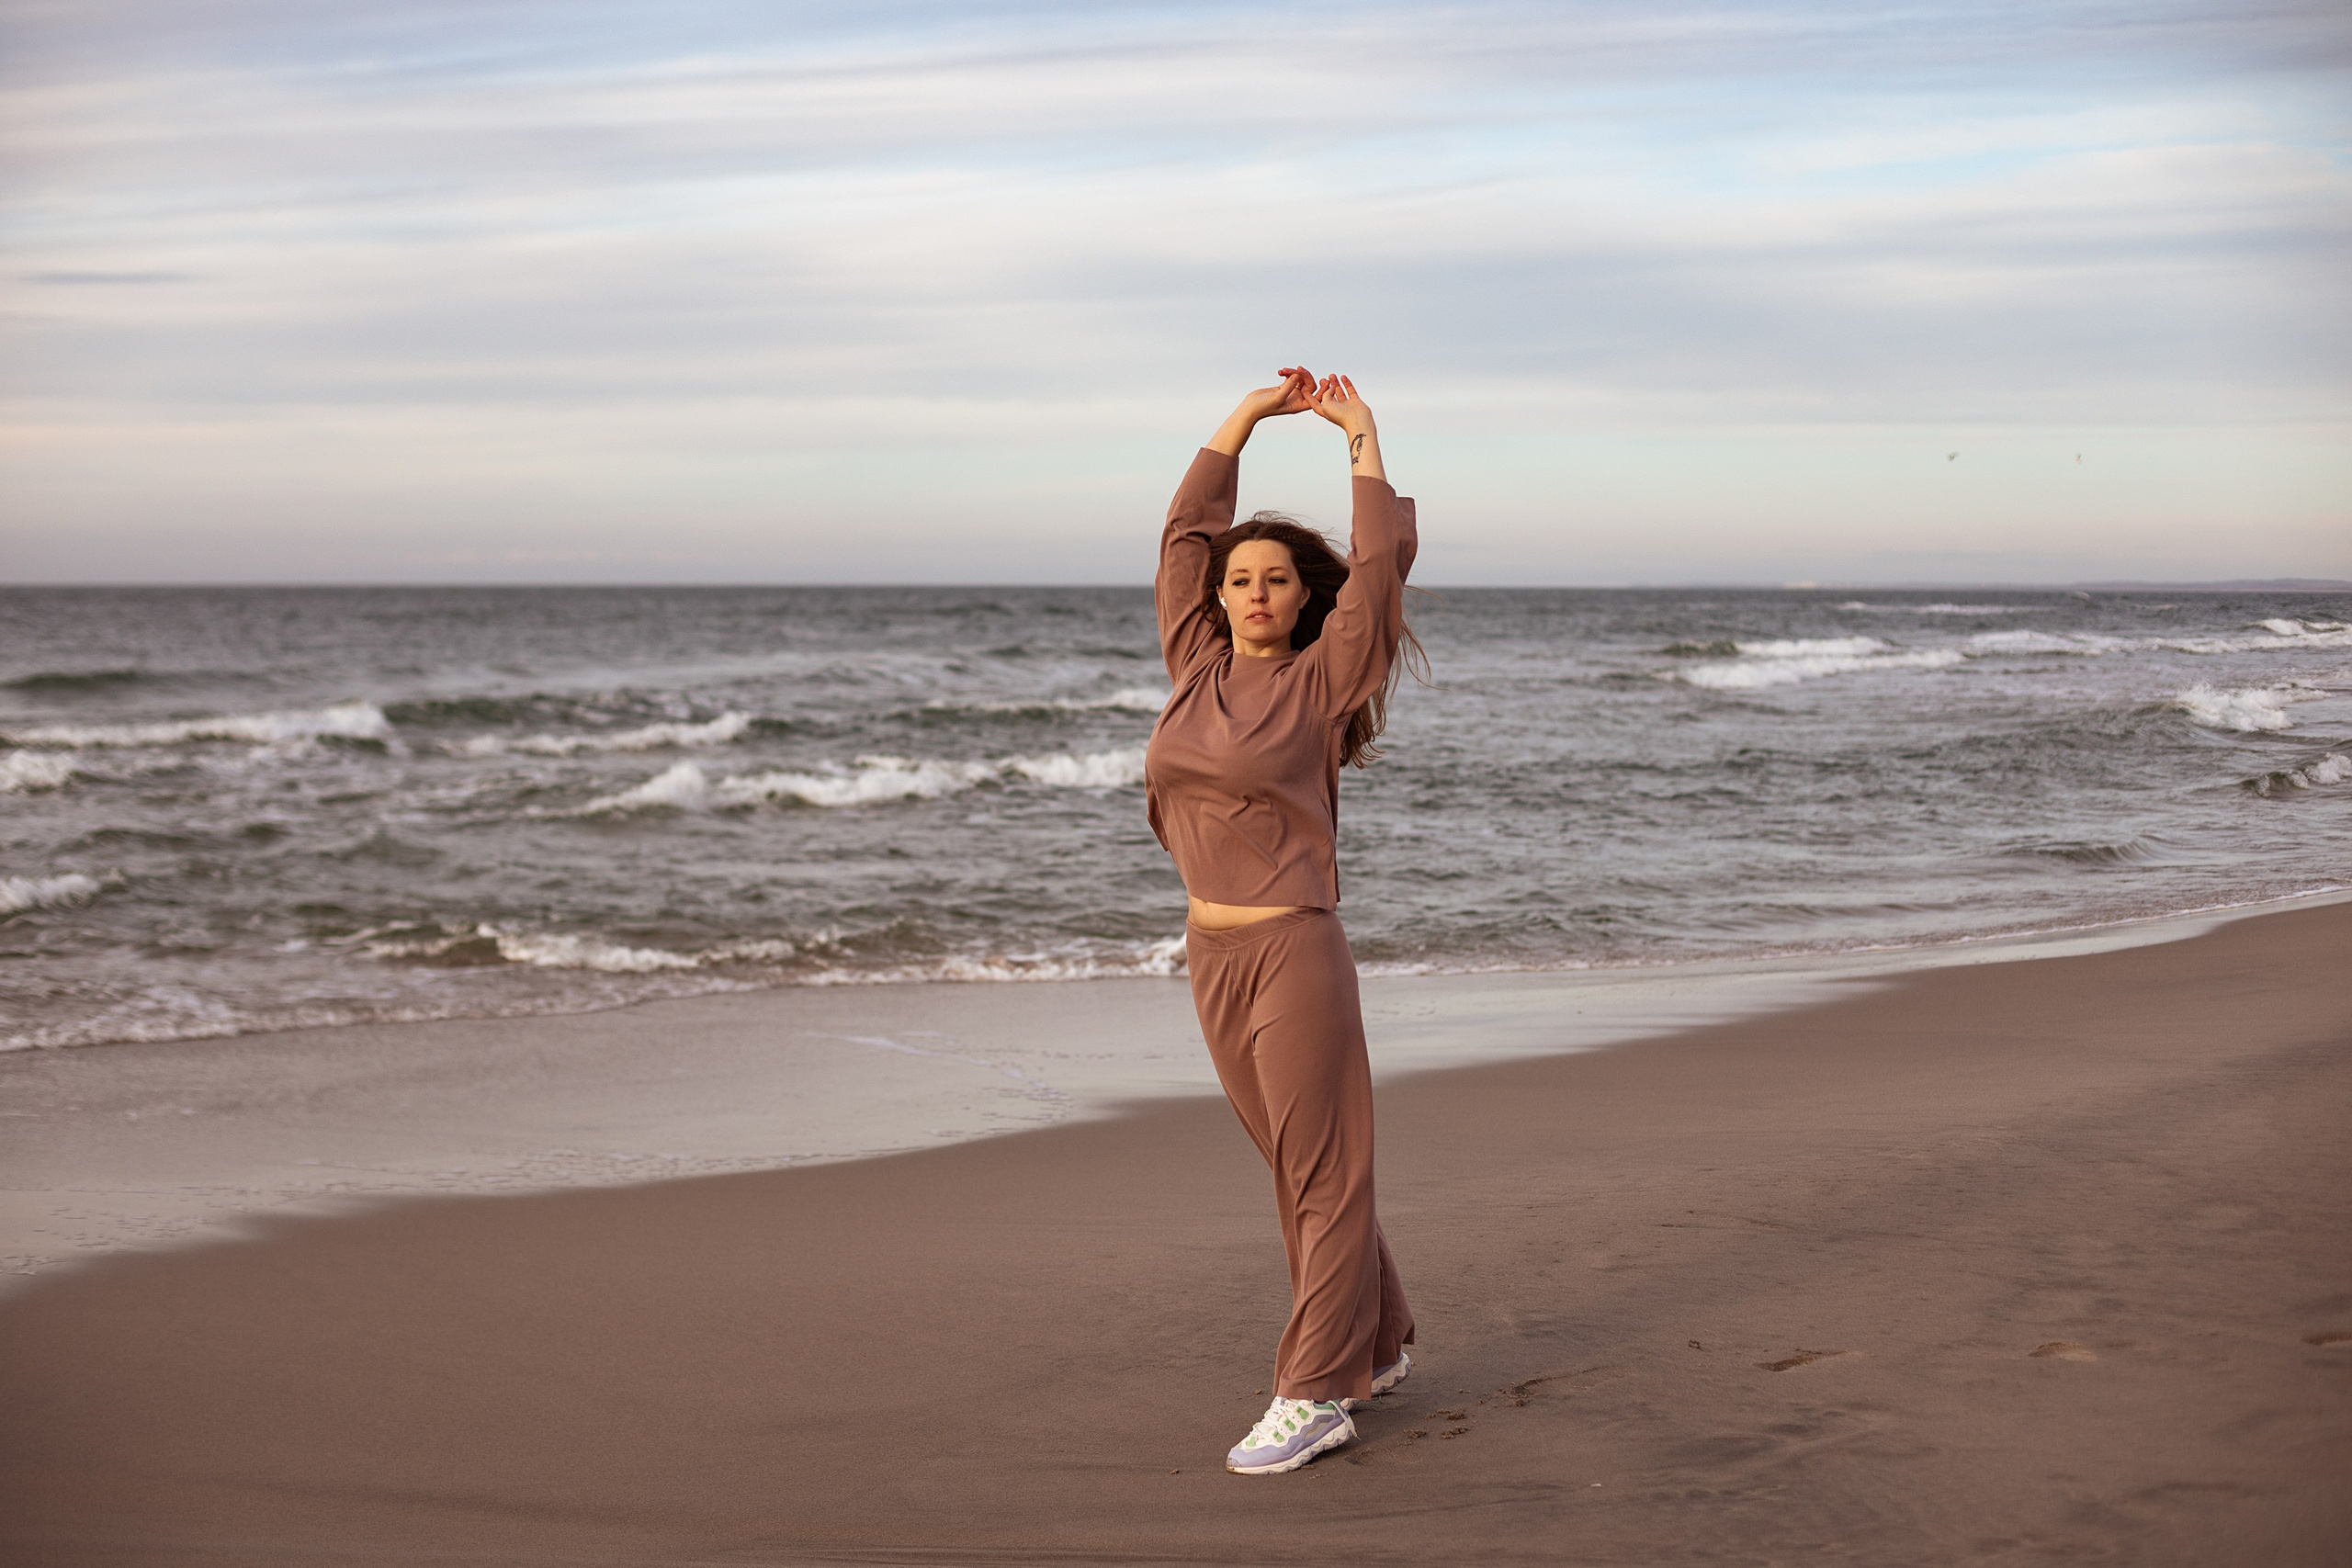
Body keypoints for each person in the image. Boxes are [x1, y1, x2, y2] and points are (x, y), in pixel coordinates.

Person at [1143, 367, 1423, 1475]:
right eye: (1240, 579)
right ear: (1216, 598)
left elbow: (1379, 573)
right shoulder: (1192, 664)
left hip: (1292, 948)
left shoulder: (1321, 681)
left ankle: (1314, 1393)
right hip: (1209, 952)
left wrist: (1360, 438)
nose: (1255, 592)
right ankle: (1383, 1334)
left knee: (1321, 1174)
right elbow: (1182, 532)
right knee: (1296, 1164)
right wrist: (1246, 420)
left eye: (1275, 581)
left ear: (1304, 599)